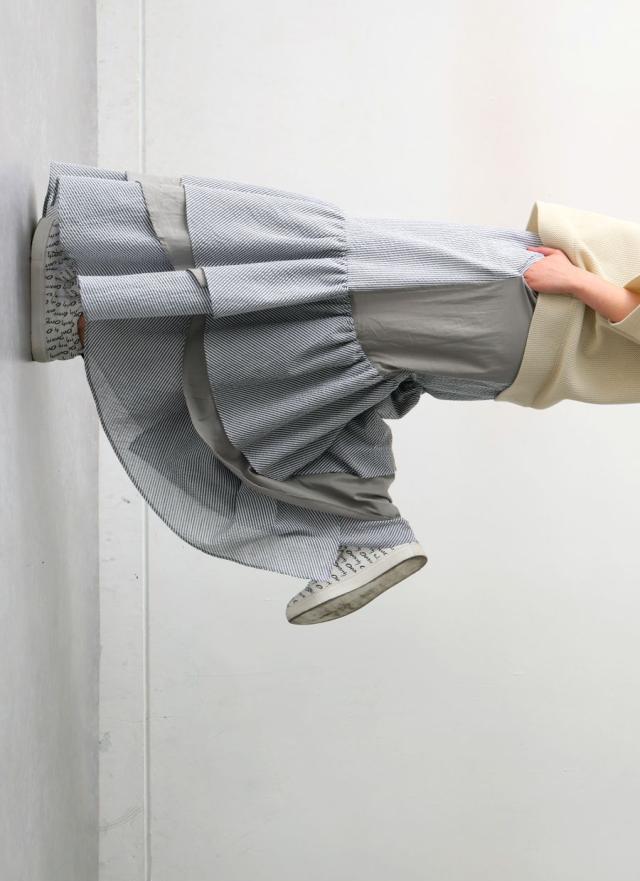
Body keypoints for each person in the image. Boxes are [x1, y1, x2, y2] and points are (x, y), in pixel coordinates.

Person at [30, 161, 640, 625]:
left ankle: (81, 281)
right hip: (528, 337)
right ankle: (85, 308)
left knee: (312, 294)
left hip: (531, 305)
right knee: (316, 361)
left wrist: (581, 284)